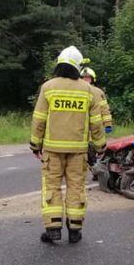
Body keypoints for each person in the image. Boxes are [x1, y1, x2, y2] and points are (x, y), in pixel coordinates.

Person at [30, 46, 106, 244]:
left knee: (52, 187)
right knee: (76, 188)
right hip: (77, 151)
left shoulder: (48, 87)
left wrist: (35, 144)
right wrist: (100, 147)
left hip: (52, 150)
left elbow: (39, 119)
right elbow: (96, 123)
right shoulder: (88, 90)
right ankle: (74, 230)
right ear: (78, 67)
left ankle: (53, 228)